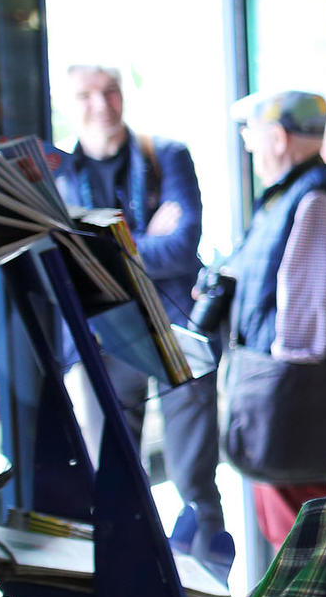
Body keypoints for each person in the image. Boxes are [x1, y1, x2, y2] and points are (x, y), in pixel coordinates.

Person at [52, 64, 227, 564]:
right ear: (69, 103)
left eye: (111, 92)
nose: (102, 105)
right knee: (116, 472)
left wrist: (100, 246)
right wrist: (135, 236)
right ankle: (137, 579)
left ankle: (208, 584)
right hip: (102, 335)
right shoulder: (62, 170)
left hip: (173, 328)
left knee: (193, 475)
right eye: (86, 95)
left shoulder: (164, 155)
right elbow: (63, 258)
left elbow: (180, 245)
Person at [226, 90, 326, 549]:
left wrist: (281, 401)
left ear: (279, 137)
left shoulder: (315, 198)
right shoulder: (292, 195)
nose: (249, 147)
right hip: (282, 400)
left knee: (297, 547)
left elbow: (306, 319)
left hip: (294, 405)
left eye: (252, 136)